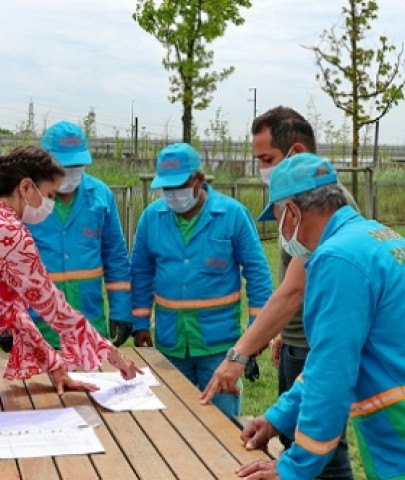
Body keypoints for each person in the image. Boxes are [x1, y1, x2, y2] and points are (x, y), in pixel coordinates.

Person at [201, 106, 354, 479]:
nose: (262, 169)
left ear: (297, 154)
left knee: (323, 453)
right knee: (295, 438)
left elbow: (293, 291)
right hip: (302, 341)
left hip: (324, 348)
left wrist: (239, 353)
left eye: (266, 159)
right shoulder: (307, 211)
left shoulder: (330, 225)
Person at [236, 152, 405, 480]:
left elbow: (332, 376)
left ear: (293, 212)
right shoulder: (374, 236)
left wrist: (293, 468)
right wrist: (276, 420)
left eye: (279, 219)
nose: (283, 235)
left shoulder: (338, 259)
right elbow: (328, 361)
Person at [130, 142, 272, 418]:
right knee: (170, 422)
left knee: (223, 423)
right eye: (166, 188)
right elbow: (141, 272)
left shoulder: (232, 215)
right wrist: (139, 322)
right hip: (170, 343)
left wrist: (257, 330)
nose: (172, 195)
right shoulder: (152, 218)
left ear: (199, 179)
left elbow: (257, 272)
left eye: (178, 186)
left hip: (219, 345)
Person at [0, 145, 141, 394]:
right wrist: (116, 358)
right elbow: (55, 310)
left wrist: (55, 367)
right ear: (24, 187)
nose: (51, 205)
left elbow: (14, 312)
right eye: (49, 195)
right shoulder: (12, 234)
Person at [25, 121, 132, 349]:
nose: (69, 174)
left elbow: (116, 257)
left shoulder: (101, 196)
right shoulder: (21, 199)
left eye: (76, 166)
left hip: (90, 328)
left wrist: (121, 309)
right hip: (36, 331)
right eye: (63, 166)